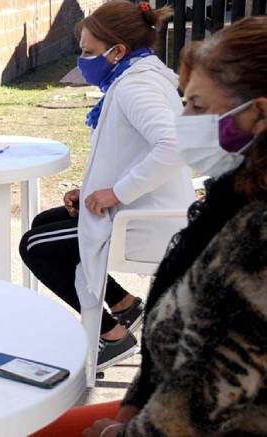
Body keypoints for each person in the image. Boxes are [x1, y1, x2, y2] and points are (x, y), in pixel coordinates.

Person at [34, 16, 267, 437]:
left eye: (197, 107)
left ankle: (116, 323)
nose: (185, 121)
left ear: (259, 115)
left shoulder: (254, 243)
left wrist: (114, 430)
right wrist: (130, 407)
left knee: (39, 244)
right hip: (152, 411)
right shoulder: (225, 200)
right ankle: (122, 312)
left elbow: (200, 410)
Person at [19, 1, 194, 371]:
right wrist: (92, 192)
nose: (83, 60)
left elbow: (173, 146)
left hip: (144, 220)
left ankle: (111, 337)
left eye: (88, 52)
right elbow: (129, 151)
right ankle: (125, 307)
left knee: (34, 247)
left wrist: (116, 193)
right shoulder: (141, 74)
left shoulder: (135, 87)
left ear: (117, 51)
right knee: (43, 223)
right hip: (143, 207)